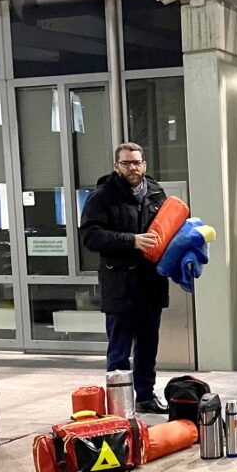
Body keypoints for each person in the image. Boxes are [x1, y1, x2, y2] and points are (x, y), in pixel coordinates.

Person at [80, 142, 170, 414]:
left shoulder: (156, 192)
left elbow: (169, 229)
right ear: (116, 166)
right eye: (126, 163)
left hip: (151, 283)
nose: (133, 167)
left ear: (144, 164)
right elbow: (91, 237)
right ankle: (120, 407)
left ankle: (145, 397)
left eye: (137, 162)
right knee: (119, 350)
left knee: (147, 346)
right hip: (120, 284)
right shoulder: (102, 196)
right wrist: (131, 241)